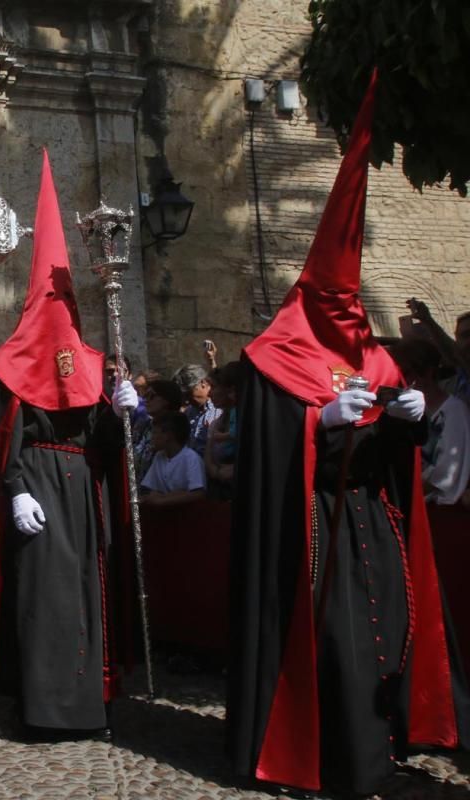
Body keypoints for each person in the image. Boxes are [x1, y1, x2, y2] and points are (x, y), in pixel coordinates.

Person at [227, 74, 469, 796]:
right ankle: (336, 757)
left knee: (390, 631)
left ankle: (387, 738)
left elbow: (401, 447)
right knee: (334, 641)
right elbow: (266, 452)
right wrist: (315, 421)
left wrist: (409, 421)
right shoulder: (275, 355)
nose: (346, 312)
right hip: (311, 530)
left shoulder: (378, 354)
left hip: (374, 518)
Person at [0, 151, 130, 736]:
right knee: (44, 592)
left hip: (81, 486)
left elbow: (103, 444)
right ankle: (41, 705)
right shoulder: (13, 366)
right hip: (36, 483)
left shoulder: (92, 364)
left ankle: (89, 701)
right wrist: (12, 489)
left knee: (86, 587)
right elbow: (5, 436)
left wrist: (120, 412)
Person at [392, 338, 470, 506]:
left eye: (405, 373)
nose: (399, 380)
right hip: (407, 503)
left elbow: (446, 473)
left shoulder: (454, 411)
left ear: (428, 372)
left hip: (439, 511)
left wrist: (400, 491)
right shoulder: (398, 412)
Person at [139, 413, 205, 506]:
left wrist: (163, 500)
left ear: (167, 435)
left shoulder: (191, 458)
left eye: (154, 433)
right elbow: (151, 488)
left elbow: (198, 493)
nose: (152, 438)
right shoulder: (159, 456)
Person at [203, 361, 242, 499]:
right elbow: (208, 456)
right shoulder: (215, 423)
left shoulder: (243, 419)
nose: (209, 394)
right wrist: (215, 472)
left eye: (213, 387)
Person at [132, 379, 183, 482]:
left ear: (166, 400)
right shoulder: (143, 425)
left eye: (152, 396)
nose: (146, 400)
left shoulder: (177, 428)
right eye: (145, 396)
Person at [173, 363, 221, 457]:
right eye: (183, 397)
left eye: (188, 394)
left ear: (203, 383)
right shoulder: (189, 412)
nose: (186, 401)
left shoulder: (220, 409)